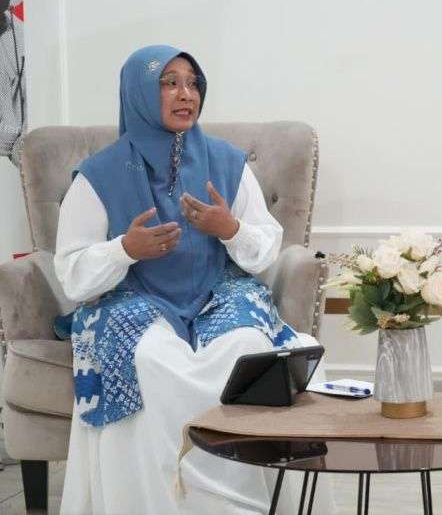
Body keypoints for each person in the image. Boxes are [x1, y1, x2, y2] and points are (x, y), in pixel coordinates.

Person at [56, 45, 327, 514]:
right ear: (139, 94)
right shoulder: (98, 176)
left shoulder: (227, 162)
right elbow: (72, 273)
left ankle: (236, 503)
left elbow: (265, 247)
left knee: (247, 347)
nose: (187, 94)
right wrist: (125, 249)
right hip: (130, 296)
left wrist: (230, 228)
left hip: (218, 290)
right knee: (150, 358)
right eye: (170, 83)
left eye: (193, 83)